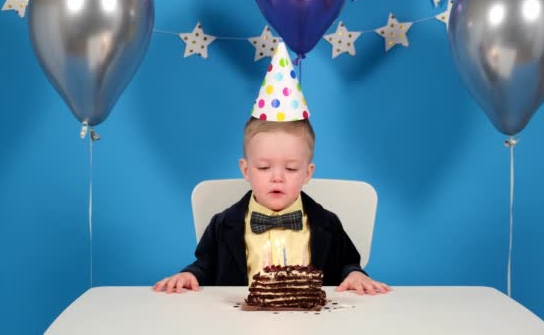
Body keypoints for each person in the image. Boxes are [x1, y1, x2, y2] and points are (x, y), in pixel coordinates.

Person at [154, 42, 391, 296]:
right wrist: (189, 274)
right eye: (264, 167)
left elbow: (347, 264)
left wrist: (354, 274)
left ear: (307, 173)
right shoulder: (223, 224)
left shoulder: (327, 223)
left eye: (290, 169)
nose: (277, 177)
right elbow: (204, 266)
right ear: (246, 170)